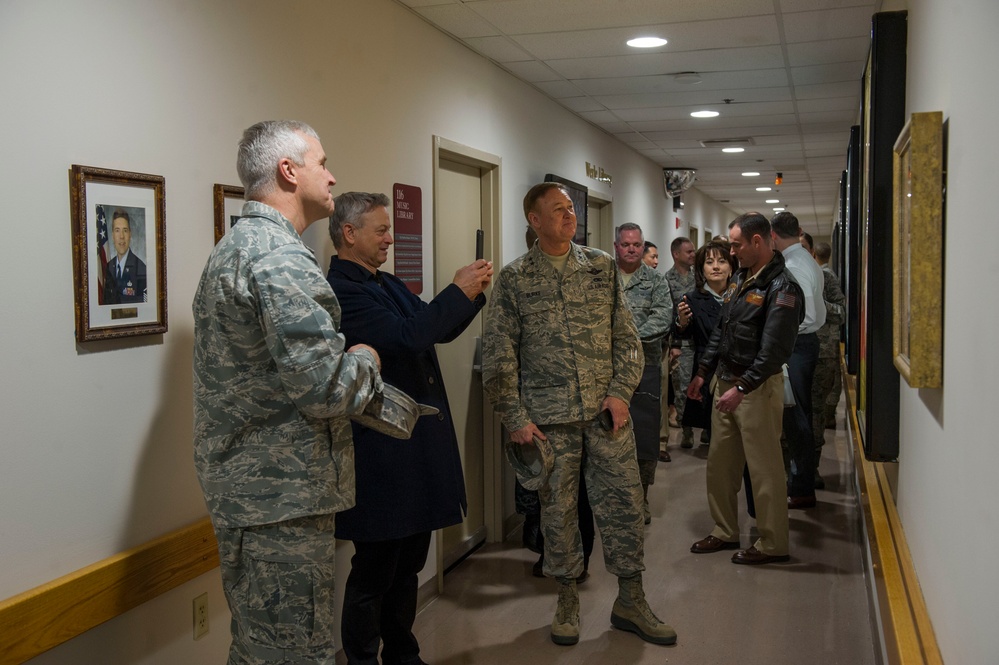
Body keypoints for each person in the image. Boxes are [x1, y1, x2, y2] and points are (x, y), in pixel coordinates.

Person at [193, 120, 383, 664]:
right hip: (280, 501)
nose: (332, 175)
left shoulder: (235, 246)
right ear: (288, 170)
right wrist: (365, 358)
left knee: (260, 649)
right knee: (295, 654)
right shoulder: (278, 257)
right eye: (322, 163)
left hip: (251, 492)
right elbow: (326, 390)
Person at [483, 182, 676, 647]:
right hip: (549, 424)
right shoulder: (515, 279)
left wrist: (619, 393)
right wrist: (515, 417)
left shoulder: (601, 268)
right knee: (558, 515)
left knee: (625, 506)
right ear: (534, 219)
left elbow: (627, 339)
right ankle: (566, 599)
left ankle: (631, 598)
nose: (570, 216)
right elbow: (499, 356)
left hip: (606, 417)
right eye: (559, 210)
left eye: (571, 208)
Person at [325, 191, 492, 665]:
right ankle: (361, 658)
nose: (390, 238)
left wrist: (470, 295)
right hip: (379, 455)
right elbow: (407, 337)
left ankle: (402, 650)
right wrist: (455, 290)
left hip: (413, 449)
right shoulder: (342, 291)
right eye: (381, 230)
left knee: (409, 566)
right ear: (350, 233)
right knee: (374, 569)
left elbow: (430, 327)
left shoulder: (387, 282)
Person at [687, 212, 803, 565]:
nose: (731, 252)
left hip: (754, 389)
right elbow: (722, 331)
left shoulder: (782, 288)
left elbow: (774, 352)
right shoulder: (741, 279)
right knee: (720, 465)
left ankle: (772, 543)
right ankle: (724, 530)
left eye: (736, 245)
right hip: (725, 382)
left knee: (764, 470)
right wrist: (703, 372)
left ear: (758, 242)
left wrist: (741, 387)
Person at [614, 223, 673, 524]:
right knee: (608, 436)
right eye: (626, 244)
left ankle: (642, 499)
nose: (632, 249)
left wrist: (626, 337)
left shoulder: (655, 281)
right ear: (616, 246)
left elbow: (662, 318)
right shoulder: (602, 276)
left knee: (644, 437)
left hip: (644, 368)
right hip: (606, 371)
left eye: (637, 244)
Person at [771, 212, 826, 509]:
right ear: (799, 231)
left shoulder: (794, 266)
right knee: (797, 414)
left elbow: (806, 317)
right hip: (802, 345)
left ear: (773, 236)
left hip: (798, 345)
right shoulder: (805, 259)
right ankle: (799, 482)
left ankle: (801, 485)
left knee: (797, 417)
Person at [673, 240, 738, 441]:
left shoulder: (740, 296)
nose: (716, 267)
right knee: (710, 416)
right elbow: (684, 333)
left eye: (722, 261)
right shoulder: (692, 298)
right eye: (709, 262)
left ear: (731, 267)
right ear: (702, 268)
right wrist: (682, 321)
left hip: (736, 365)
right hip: (705, 365)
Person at [811, 241, 846, 488]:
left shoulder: (825, 278)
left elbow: (842, 312)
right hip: (793, 354)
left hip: (822, 352)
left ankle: (810, 468)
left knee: (816, 412)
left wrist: (818, 304)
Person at [666, 236, 697, 449]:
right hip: (682, 343)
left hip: (701, 340)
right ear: (676, 254)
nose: (693, 254)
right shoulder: (667, 280)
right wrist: (674, 343)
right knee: (683, 389)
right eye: (689, 252)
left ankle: (706, 428)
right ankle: (686, 429)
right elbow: (668, 315)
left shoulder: (700, 277)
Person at [104, 209, 147, 304]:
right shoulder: (107, 268)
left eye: (125, 230)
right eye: (117, 230)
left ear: (130, 234)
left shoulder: (142, 269)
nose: (121, 236)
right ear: (112, 235)